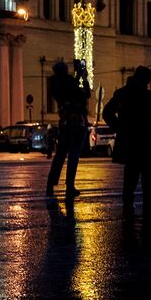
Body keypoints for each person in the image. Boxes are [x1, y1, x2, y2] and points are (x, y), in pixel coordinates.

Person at [103, 66, 151, 216]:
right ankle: (145, 204)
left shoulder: (124, 93)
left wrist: (119, 127)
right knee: (143, 174)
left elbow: (107, 112)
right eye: (147, 78)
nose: (148, 81)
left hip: (133, 138)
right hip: (141, 139)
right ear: (143, 79)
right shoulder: (144, 95)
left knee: (134, 173)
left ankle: (131, 203)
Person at [46, 60, 91, 197]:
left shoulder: (55, 84)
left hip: (64, 123)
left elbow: (71, 91)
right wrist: (83, 77)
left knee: (60, 155)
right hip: (77, 122)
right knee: (73, 155)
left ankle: (50, 184)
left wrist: (77, 78)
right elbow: (84, 94)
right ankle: (69, 186)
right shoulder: (68, 82)